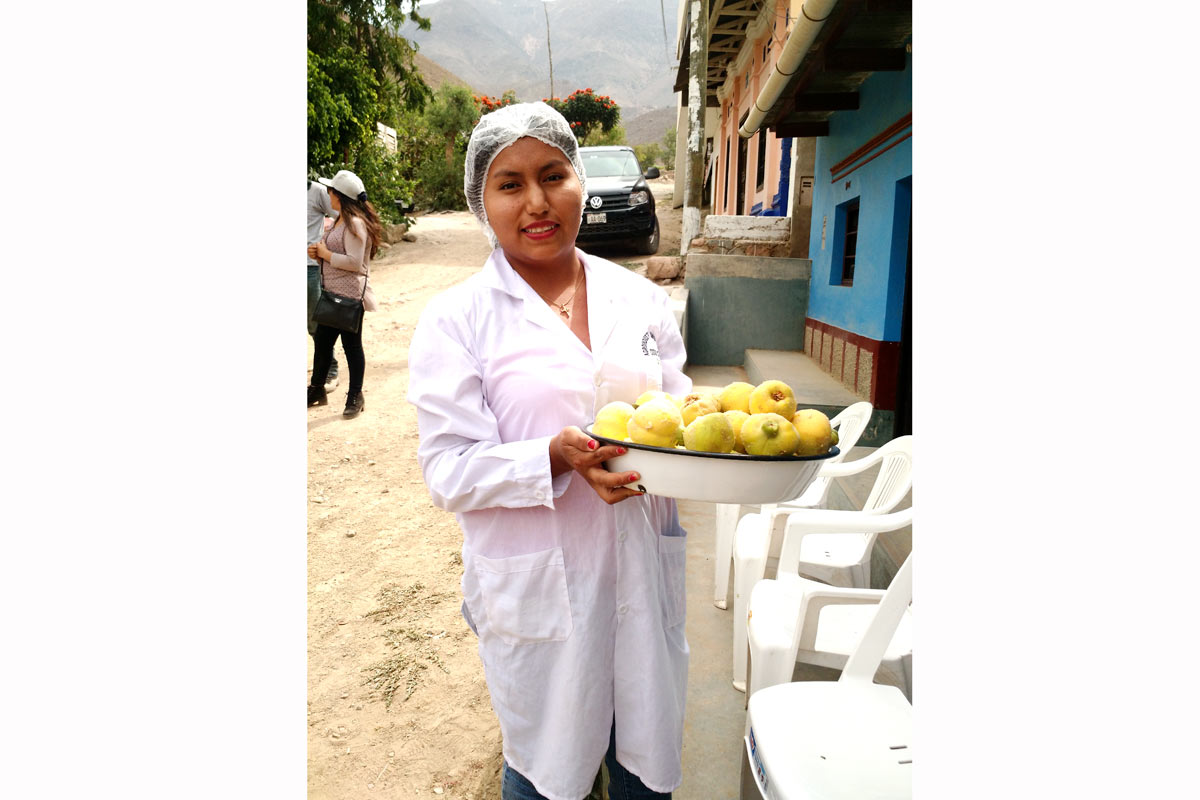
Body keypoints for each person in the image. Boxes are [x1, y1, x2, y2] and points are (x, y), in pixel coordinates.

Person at [407, 102, 692, 800]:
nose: (537, 202)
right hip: (540, 592)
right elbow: (447, 470)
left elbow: (683, 413)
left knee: (644, 778)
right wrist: (553, 459)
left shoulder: (641, 298)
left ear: (579, 180)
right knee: (545, 776)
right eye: (510, 183)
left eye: (553, 175)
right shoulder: (457, 319)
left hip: (642, 570)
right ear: (482, 200)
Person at [307, 169, 380, 418]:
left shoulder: (355, 224)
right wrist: (318, 256)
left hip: (349, 297)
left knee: (352, 347)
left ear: (339, 195)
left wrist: (326, 255)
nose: (328, 194)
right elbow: (335, 254)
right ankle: (317, 389)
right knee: (323, 344)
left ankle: (355, 396)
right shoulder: (338, 220)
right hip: (331, 293)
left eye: (330, 191)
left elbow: (356, 263)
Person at [308, 179, 342, 391]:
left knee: (316, 325)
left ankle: (330, 368)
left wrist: (327, 247)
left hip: (309, 268)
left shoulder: (317, 192)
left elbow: (342, 217)